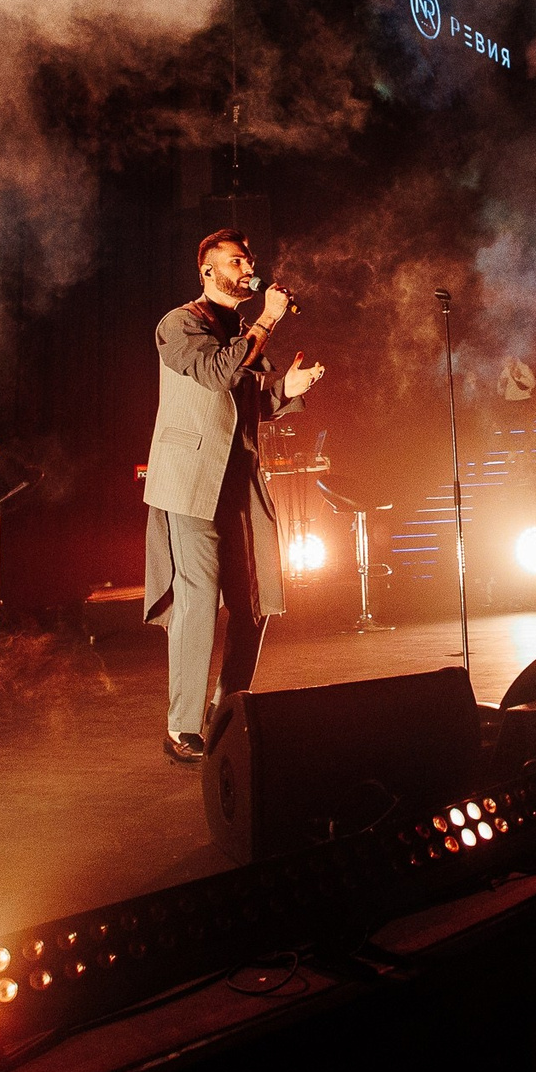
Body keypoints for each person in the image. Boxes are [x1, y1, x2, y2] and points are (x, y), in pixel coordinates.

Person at [142, 228, 324, 765]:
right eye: (238, 261)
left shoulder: (241, 330)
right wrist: (269, 319)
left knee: (255, 599)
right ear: (208, 271)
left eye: (250, 260)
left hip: (238, 479)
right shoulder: (179, 324)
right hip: (190, 477)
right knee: (199, 594)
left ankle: (227, 711)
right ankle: (182, 728)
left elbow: (254, 398)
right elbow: (217, 374)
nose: (249, 268)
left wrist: (288, 388)